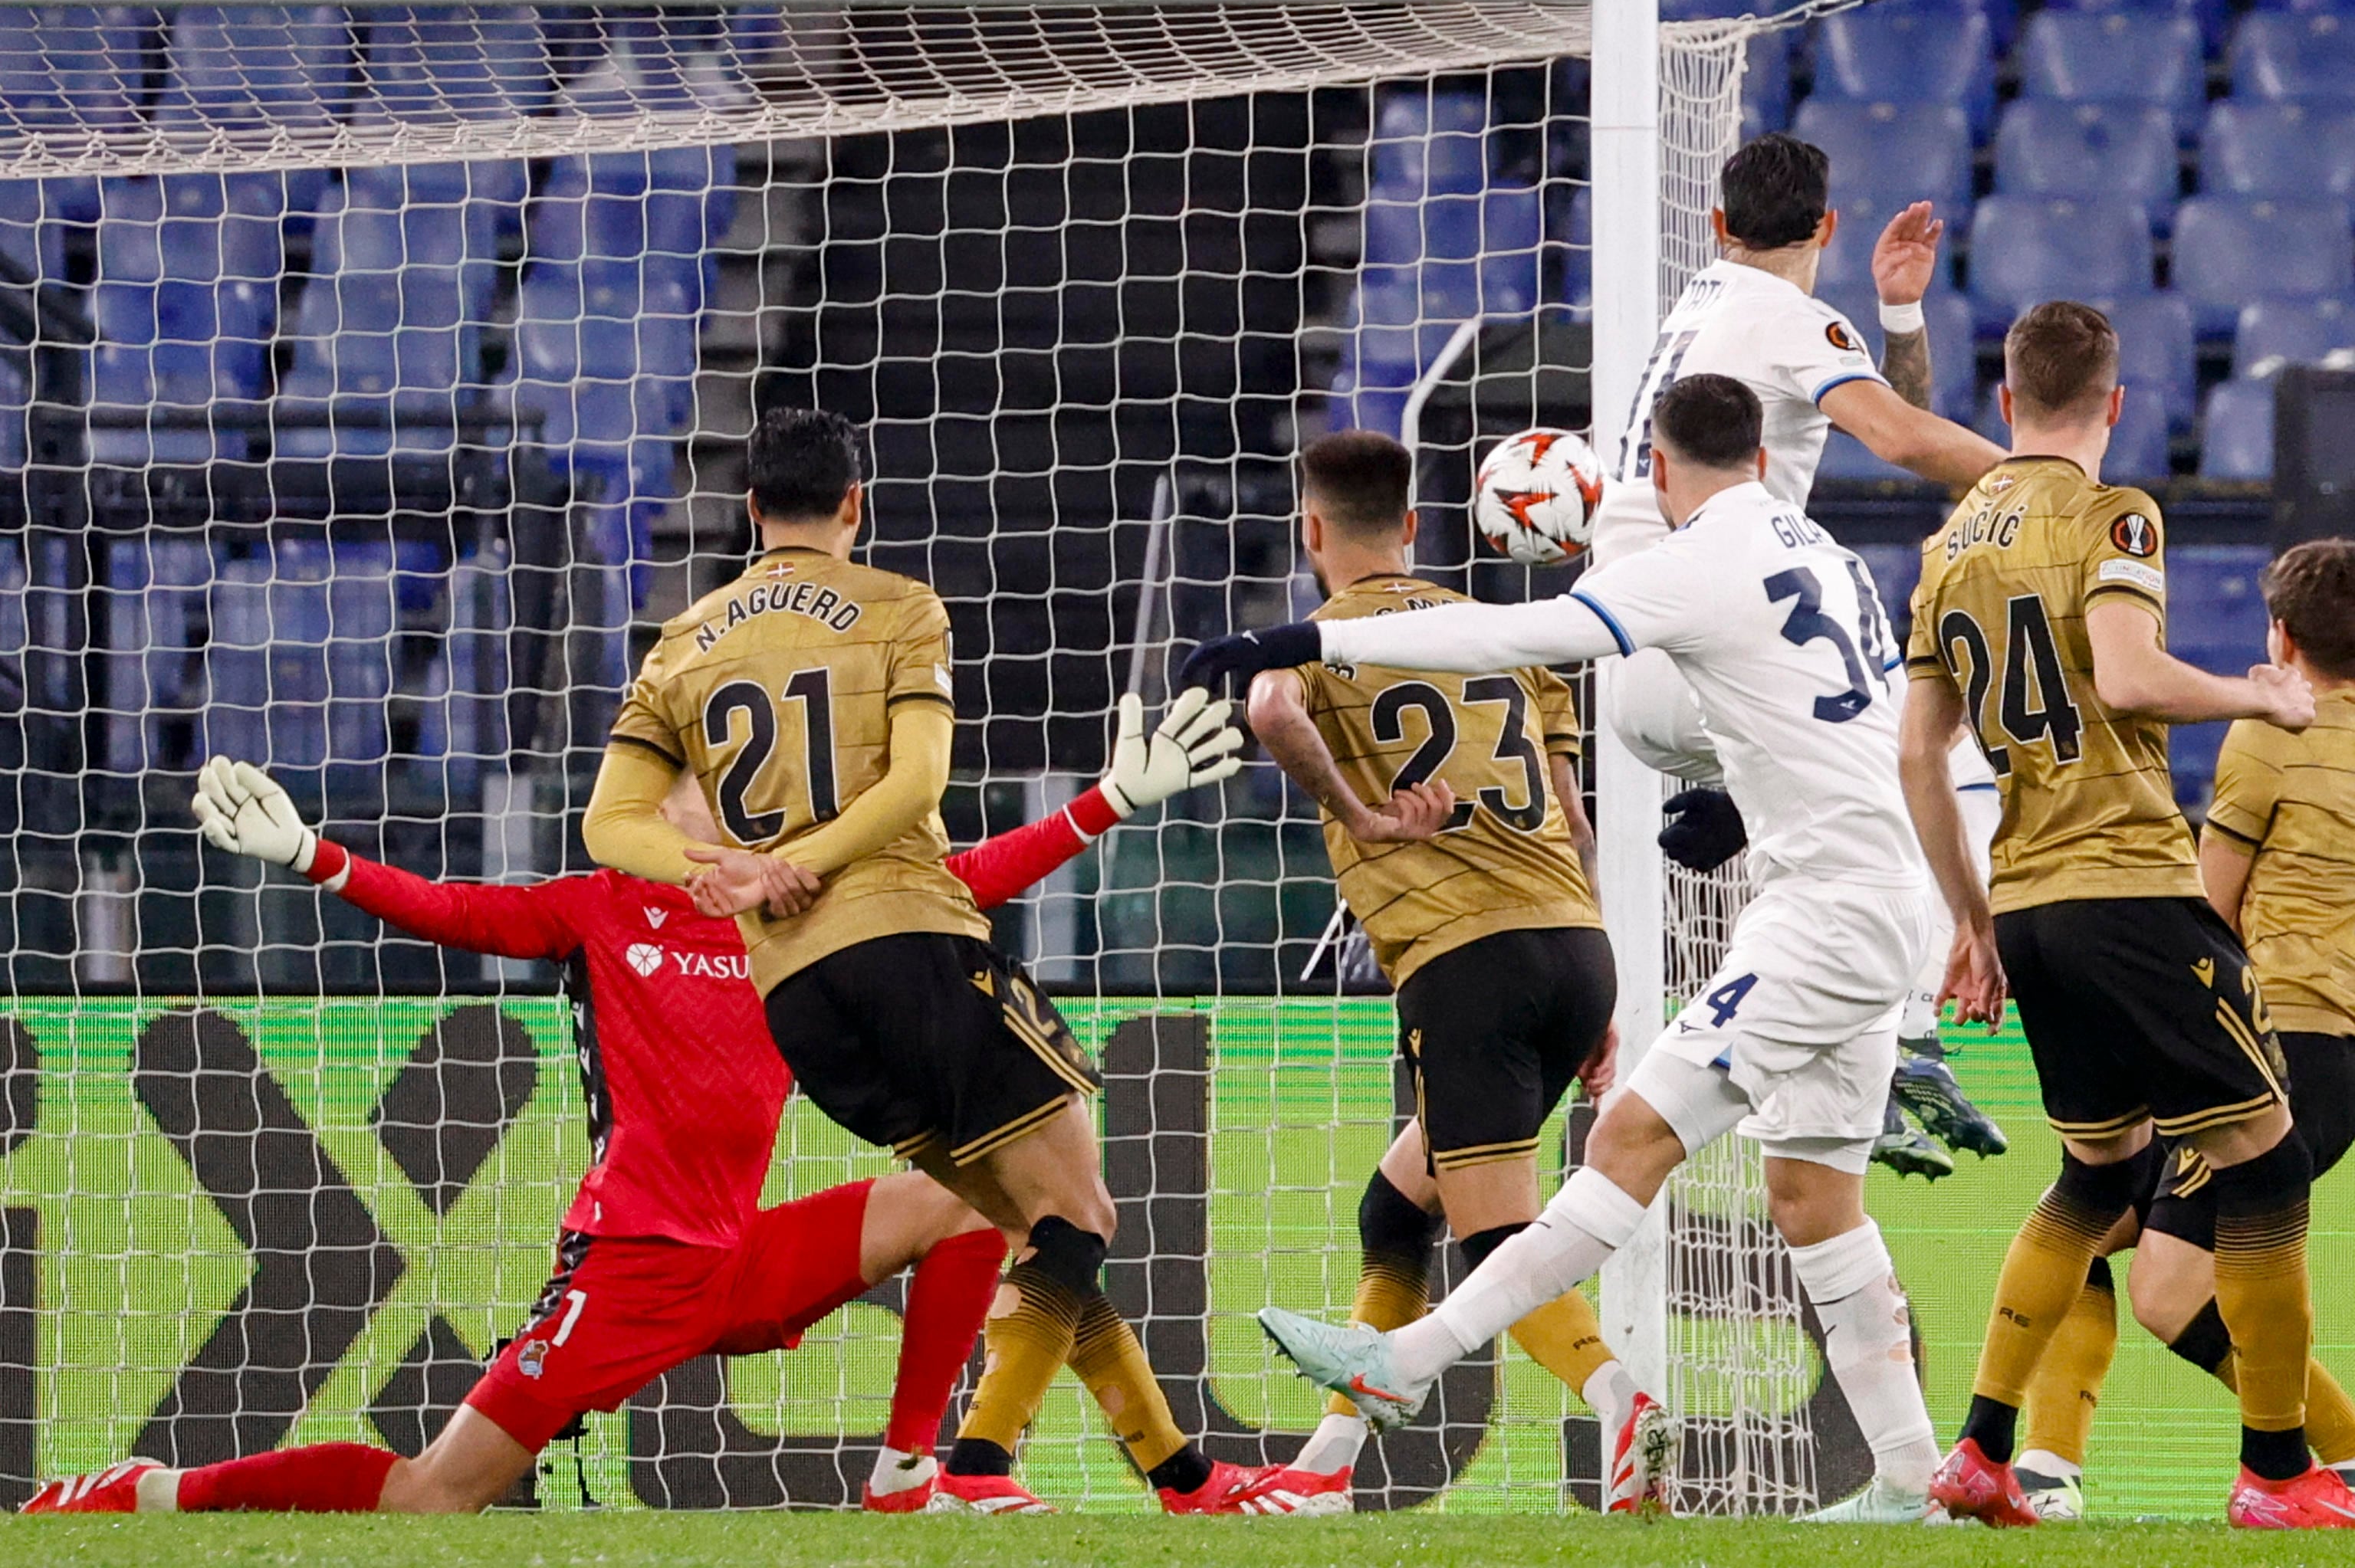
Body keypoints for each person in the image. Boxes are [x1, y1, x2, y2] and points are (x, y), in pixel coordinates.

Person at [18, 678, 1243, 1517]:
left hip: (740, 1256)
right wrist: (312, 858)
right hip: (631, 1263)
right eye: (697, 775)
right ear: (659, 804)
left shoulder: (802, 903)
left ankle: (909, 1468)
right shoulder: (599, 905)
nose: (729, 793)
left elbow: (966, 873)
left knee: (971, 1200)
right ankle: (150, 1489)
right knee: (435, 1492)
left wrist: (1107, 805)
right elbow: (457, 912)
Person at [1189, 374, 1947, 1524]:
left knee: (1636, 1134)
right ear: (1759, 452)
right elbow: (1851, 713)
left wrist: (1288, 639)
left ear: (1651, 463)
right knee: (1812, 1200)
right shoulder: (1830, 553)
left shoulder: (1694, 558)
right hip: (1879, 893)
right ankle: (1905, 1478)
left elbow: (1512, 627)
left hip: (1816, 911)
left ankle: (1412, 1358)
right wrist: (1742, 804)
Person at [573, 407, 1311, 1517]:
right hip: (910, 946)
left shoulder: (679, 643)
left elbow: (605, 827)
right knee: (1082, 1216)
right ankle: (973, 1465)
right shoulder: (896, 607)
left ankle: (1183, 1477)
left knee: (1036, 1223)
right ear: (854, 506)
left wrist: (718, 869)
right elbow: (916, 787)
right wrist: (799, 862)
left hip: (802, 1005)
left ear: (748, 511)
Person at [1899, 301, 2341, 1530]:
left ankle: (1983, 1452)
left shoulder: (1947, 548)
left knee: (2100, 1171)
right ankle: (2279, 1472)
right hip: (2133, 886)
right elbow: (2132, 674)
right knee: (2268, 1153)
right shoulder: (2115, 512)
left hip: (2031, 901)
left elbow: (1921, 761)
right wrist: (2263, 695)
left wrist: (1973, 922)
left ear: (2003, 400)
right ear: (2117, 402)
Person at [1238, 429, 1664, 1515]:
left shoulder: (1317, 634)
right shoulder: (1508, 631)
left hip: (1466, 959)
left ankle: (1620, 1401)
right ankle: (1324, 1472)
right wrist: (1599, 979)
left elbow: (1272, 711)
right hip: (1572, 947)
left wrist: (1363, 816)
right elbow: (1574, 818)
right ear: (1419, 528)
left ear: (1312, 529)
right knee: (1396, 1212)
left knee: (1492, 1247)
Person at [1595, 131, 2010, 1174]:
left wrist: (1899, 315)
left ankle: (1851, 1075)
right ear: (1826, 225)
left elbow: (1893, 405)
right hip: (1711, 644)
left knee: (1824, 845)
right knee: (1937, 755)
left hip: (1646, 666)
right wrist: (2049, 486)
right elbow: (1908, 441)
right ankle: (1905, 1038)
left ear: (1719, 226)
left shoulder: (1701, 303)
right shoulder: (1786, 318)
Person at [2009, 538, 2355, 1520]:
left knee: (2162, 1284)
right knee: (2096, 1213)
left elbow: (2210, 912)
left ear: (2280, 636)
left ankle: (2337, 1452)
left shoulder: (2268, 735)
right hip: (2334, 1058)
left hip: (2267, 1046)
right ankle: (2047, 1467)